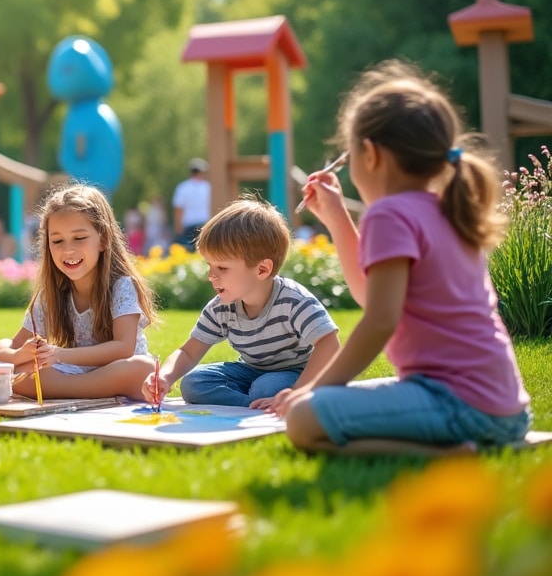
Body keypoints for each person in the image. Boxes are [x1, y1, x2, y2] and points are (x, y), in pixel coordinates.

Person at [275, 61, 530, 455]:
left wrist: (314, 388)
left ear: (371, 155)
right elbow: (373, 296)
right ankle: (472, 445)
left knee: (304, 418)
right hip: (503, 407)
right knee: (323, 404)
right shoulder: (449, 208)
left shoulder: (389, 214)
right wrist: (338, 219)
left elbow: (379, 320)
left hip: (456, 403)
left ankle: (454, 454)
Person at [142, 198, 340, 409]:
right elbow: (189, 352)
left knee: (266, 387)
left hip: (295, 373)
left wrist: (297, 390)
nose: (211, 275)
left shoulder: (293, 300)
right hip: (249, 370)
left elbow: (329, 344)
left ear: (262, 270)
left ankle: (270, 399)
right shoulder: (221, 307)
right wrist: (164, 376)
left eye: (222, 268)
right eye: (210, 265)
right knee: (194, 383)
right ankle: (255, 406)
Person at [0, 185, 157, 400]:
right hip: (75, 371)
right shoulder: (51, 294)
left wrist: (58, 354)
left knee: (144, 368)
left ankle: (74, 390)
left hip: (118, 368)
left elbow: (124, 348)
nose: (68, 250)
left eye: (79, 238)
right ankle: (94, 391)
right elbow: (7, 348)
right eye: (57, 241)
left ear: (103, 240)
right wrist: (20, 354)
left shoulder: (121, 285)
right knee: (19, 369)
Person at [171, 158, 211, 251]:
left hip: (188, 225)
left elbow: (178, 208)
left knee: (188, 252)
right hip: (205, 223)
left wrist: (178, 225)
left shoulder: (183, 187)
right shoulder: (208, 187)